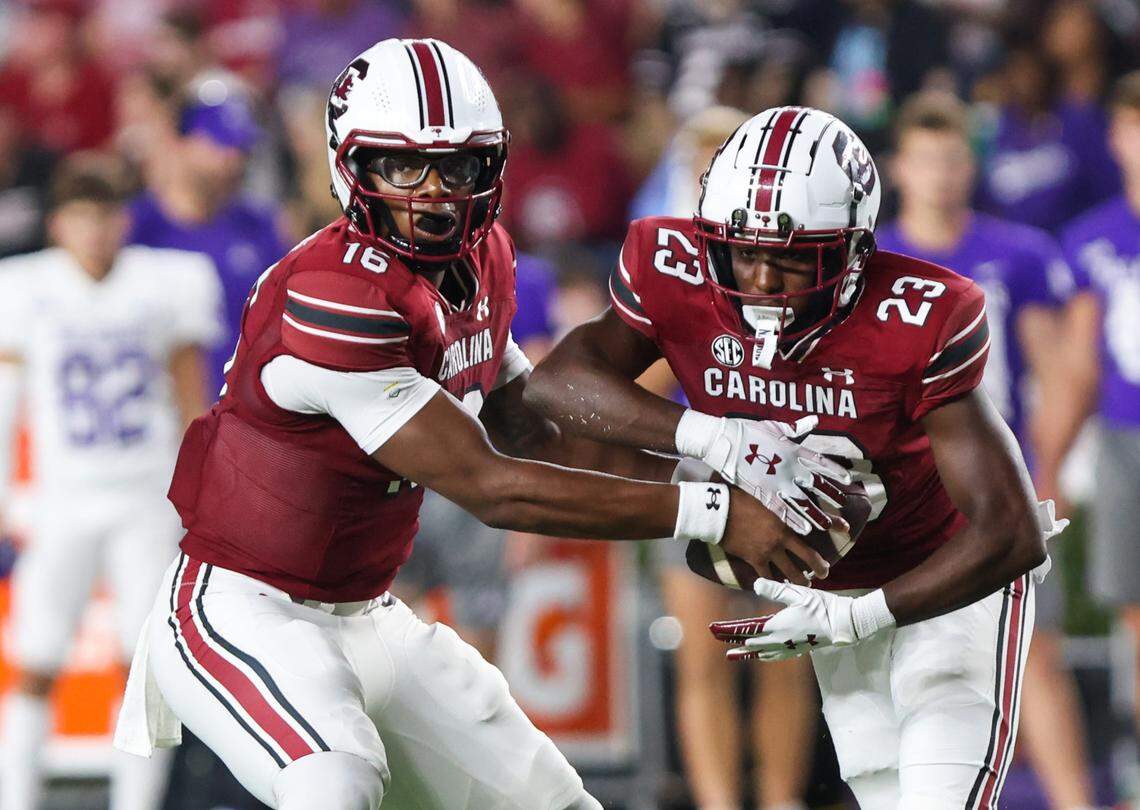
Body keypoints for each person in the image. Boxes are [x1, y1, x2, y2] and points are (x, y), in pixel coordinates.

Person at [112, 40, 843, 810]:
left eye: (458, 167)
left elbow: (531, 431)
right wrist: (714, 510)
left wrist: (708, 471)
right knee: (334, 785)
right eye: (403, 167)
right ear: (350, 168)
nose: (434, 193)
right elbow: (493, 485)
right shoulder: (333, 295)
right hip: (243, 609)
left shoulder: (483, 254)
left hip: (369, 613)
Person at [526, 105, 1063, 808]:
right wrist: (712, 437)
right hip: (835, 587)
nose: (761, 279)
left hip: (946, 581)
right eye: (742, 251)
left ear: (853, 250)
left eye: (789, 256)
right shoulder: (673, 266)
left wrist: (858, 616)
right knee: (884, 794)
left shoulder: (923, 313)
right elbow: (559, 383)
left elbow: (1012, 532)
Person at [876, 91, 1097, 810]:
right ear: (899, 167)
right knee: (898, 655)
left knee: (1033, 649)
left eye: (953, 157)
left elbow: (1059, 369)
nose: (942, 173)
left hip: (993, 478)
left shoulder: (1016, 253)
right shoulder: (870, 259)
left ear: (971, 163)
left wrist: (1046, 468)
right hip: (903, 483)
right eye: (928, 158)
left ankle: (1072, 800)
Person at [0, 152, 222, 810]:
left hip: (144, 496)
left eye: (105, 216)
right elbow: (6, 403)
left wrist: (204, 494)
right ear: (58, 225)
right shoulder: (25, 287)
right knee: (36, 660)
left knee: (145, 666)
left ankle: (138, 804)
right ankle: (15, 798)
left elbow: (192, 399)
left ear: (122, 222)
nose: (95, 230)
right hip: (64, 498)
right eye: (81, 217)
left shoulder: (165, 282)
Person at [633, 103, 817, 810]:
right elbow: (640, 379)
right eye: (700, 161)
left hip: (783, 466)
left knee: (783, 653)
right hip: (698, 466)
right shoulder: (671, 264)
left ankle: (778, 799)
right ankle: (718, 802)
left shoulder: (794, 253)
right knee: (704, 652)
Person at [1054, 70, 1140, 798]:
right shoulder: (1092, 240)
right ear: (1116, 137)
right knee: (1136, 611)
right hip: (1122, 437)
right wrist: (1048, 465)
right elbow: (1076, 366)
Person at [129, 91, 287, 394]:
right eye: (220, 144)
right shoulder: (137, 229)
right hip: (161, 415)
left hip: (249, 412)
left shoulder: (260, 227)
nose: (234, 159)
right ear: (180, 143)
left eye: (242, 148)